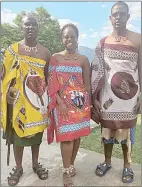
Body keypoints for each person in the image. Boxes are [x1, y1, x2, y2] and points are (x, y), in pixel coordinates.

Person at [91, 1, 141, 184]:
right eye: (115, 14)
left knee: (127, 132)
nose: (118, 17)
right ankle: (107, 161)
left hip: (130, 98)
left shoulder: (138, 39)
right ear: (110, 18)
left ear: (128, 16)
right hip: (108, 98)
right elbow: (96, 70)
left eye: (122, 14)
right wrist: (94, 97)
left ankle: (128, 165)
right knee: (107, 131)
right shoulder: (103, 42)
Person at [1, 13, 50, 186]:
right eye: (27, 25)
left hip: (37, 101)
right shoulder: (12, 50)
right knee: (17, 137)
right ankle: (19, 167)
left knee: (36, 135)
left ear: (38, 28)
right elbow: (4, 75)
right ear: (21, 27)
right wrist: (8, 93)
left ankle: (36, 164)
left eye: (34, 25)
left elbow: (47, 78)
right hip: (17, 101)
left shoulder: (45, 52)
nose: (30, 27)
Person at [47, 23, 91, 187]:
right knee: (67, 139)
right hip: (62, 107)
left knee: (76, 136)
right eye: (66, 36)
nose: (70, 39)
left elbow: (87, 86)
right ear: (62, 39)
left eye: (73, 36)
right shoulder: (55, 57)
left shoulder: (84, 59)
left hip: (80, 106)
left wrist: (87, 106)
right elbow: (50, 83)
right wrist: (60, 103)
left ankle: (71, 165)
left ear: (77, 38)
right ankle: (66, 172)